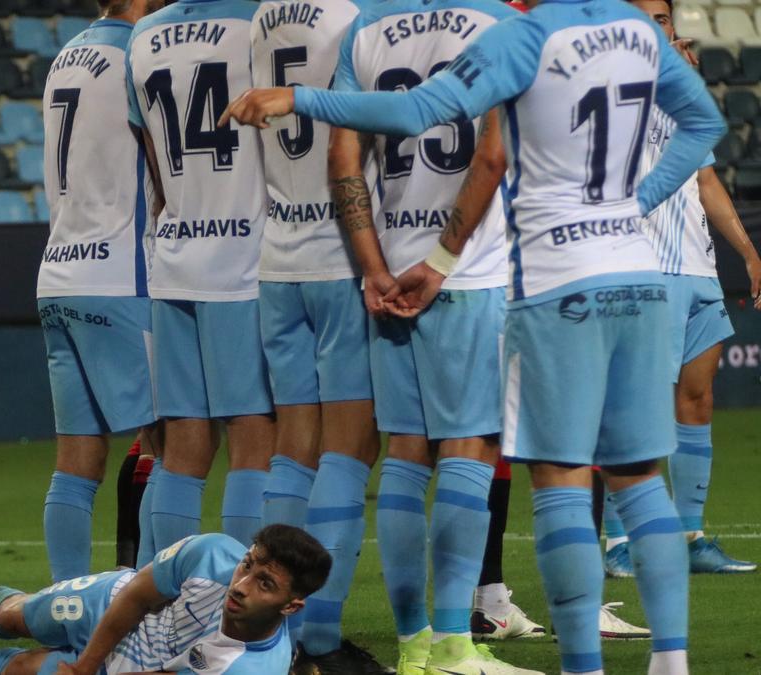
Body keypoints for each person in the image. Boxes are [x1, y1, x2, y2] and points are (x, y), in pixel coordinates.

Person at [218, 0, 725, 671]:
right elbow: (703, 124)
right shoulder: (632, 31)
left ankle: (441, 644)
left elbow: (406, 117)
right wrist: (634, 202)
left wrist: (297, 99)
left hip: (522, 272)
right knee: (635, 476)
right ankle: (663, 658)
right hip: (610, 270)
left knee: (496, 468)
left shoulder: (493, 34)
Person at [325, 0, 541, 672]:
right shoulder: (501, 23)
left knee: (407, 454)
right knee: (469, 451)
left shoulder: (365, 30)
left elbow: (342, 154)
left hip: (389, 268)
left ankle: (414, 643)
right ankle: (453, 644)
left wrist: (373, 267)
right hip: (467, 272)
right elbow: (496, 152)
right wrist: (442, 262)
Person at [600, 0, 761, 578]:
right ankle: (619, 543)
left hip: (697, 265)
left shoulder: (683, 85)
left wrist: (746, 250)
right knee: (634, 407)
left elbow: (705, 175)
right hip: (640, 263)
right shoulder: (601, 76)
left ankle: (690, 535)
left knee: (697, 402)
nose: (654, 26)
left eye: (663, 18)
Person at [247, 2, 386, 673]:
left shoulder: (263, 18)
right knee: (352, 444)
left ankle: (269, 628)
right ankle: (320, 638)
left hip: (278, 258)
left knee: (292, 447)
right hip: (340, 252)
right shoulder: (361, 14)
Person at [125, 0, 275, 553]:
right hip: (242, 262)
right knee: (254, 439)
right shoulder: (258, 20)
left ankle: (160, 604)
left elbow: (156, 171)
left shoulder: (142, 36)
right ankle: (234, 610)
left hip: (174, 259)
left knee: (181, 449)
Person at [37, 0, 168, 585]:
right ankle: (146, 610)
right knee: (173, 449)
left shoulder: (67, 55)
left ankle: (67, 608)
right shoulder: (138, 54)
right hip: (122, 276)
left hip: (59, 274)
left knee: (75, 465)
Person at [0, 524, 332, 675]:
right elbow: (136, 594)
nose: (242, 585)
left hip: (136, 667)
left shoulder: (250, 670)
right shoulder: (211, 554)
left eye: (265, 583)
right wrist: (86, 665)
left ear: (292, 606)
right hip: (108, 605)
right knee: (14, 616)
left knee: (24, 670)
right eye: (248, 564)